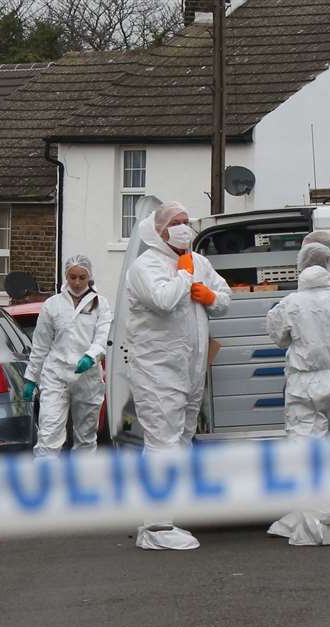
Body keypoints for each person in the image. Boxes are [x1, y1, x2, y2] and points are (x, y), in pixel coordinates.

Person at [124, 201, 232, 550]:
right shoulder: (146, 266)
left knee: (181, 440)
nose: (185, 227)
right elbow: (162, 300)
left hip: (190, 369)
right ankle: (154, 527)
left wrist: (210, 295)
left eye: (187, 221)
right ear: (159, 230)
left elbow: (225, 298)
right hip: (157, 370)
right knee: (162, 443)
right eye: (177, 222)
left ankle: (169, 513)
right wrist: (185, 276)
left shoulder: (199, 262)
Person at [264, 240, 330, 545]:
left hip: (305, 383)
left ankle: (311, 526)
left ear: (301, 267)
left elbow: (278, 337)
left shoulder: (291, 303)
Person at [23, 253, 112, 454]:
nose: (77, 282)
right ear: (66, 276)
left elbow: (102, 337)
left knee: (86, 437)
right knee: (48, 434)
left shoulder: (100, 304)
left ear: (89, 277)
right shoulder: (53, 305)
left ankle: (83, 480)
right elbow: (40, 345)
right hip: (56, 375)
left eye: (82, 277)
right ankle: (46, 480)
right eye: (73, 277)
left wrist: (91, 356)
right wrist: (31, 377)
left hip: (87, 377)